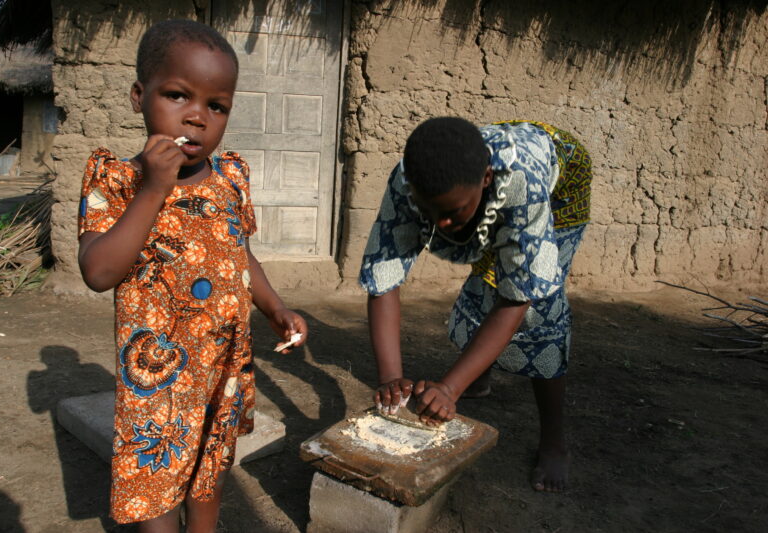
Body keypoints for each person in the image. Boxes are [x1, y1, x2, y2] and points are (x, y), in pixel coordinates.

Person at [77, 19, 308, 532]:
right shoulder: (115, 180)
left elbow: (237, 251)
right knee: (158, 484)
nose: (197, 118)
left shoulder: (231, 177)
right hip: (157, 381)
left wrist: (274, 307)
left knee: (211, 473)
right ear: (140, 96)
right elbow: (98, 271)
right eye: (178, 95)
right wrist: (153, 190)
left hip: (224, 369)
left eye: (216, 106)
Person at [360, 117, 591, 492]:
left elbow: (518, 296)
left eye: (453, 211)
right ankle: (479, 377)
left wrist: (450, 388)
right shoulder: (408, 180)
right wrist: (390, 378)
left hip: (559, 188)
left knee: (539, 311)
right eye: (430, 211)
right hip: (490, 180)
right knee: (487, 282)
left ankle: (554, 441)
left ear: (485, 181)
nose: (442, 224)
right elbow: (382, 277)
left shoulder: (521, 185)